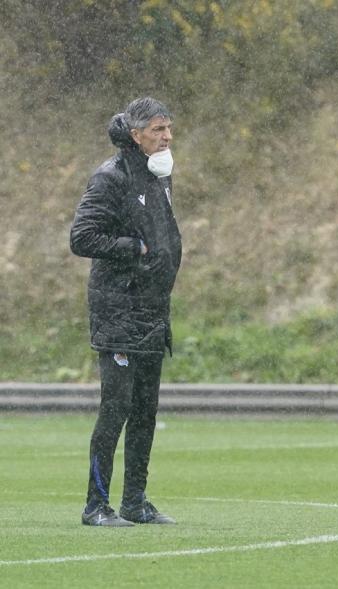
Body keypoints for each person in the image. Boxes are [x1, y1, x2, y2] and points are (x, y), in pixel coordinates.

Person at [70, 97, 182, 526]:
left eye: (169, 128)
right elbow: (81, 237)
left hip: (152, 310)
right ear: (135, 135)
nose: (167, 136)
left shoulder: (160, 174)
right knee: (115, 408)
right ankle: (96, 505)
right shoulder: (109, 178)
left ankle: (135, 502)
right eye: (157, 129)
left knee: (145, 410)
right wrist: (132, 248)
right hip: (118, 310)